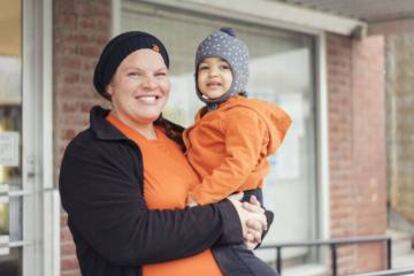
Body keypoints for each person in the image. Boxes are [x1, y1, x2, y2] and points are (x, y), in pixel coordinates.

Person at [59, 31, 273, 276]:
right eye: (134, 74)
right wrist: (229, 218)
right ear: (110, 85)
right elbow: (130, 239)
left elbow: (231, 185)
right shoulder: (91, 152)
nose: (151, 84)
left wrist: (255, 219)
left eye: (160, 74)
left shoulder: (182, 139)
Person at [185, 27, 291, 208]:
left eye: (224, 67)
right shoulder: (210, 113)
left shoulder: (242, 115)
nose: (213, 73)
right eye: (204, 67)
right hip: (218, 193)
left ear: (239, 76)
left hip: (237, 196)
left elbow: (239, 165)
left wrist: (198, 197)